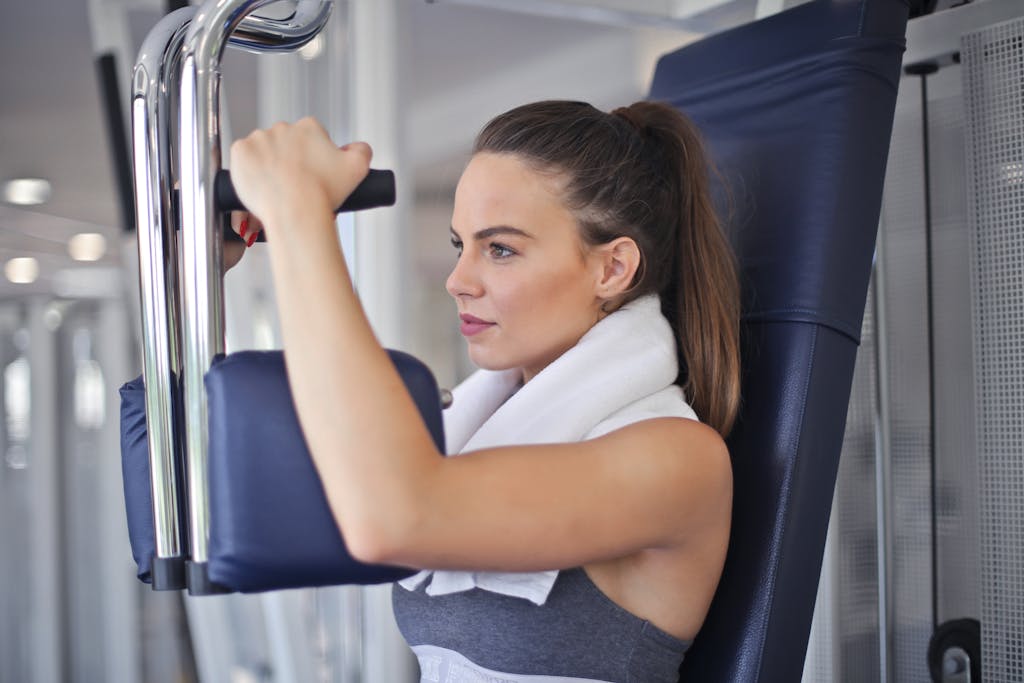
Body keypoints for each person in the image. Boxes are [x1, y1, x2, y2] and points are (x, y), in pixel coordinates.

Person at [227, 99, 740, 682]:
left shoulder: (677, 460)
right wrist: (208, 270)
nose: (458, 281)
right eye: (460, 245)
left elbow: (394, 518)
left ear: (613, 269)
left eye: (500, 249)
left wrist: (300, 218)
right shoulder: (470, 435)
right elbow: (281, 490)